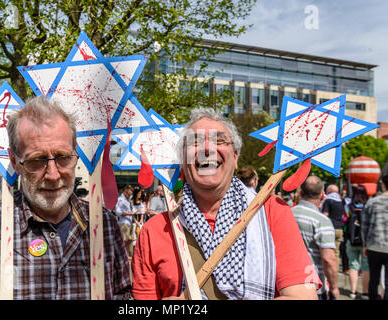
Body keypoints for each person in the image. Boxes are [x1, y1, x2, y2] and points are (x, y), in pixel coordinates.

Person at [0, 96, 131, 300]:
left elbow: (123, 295)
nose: (53, 175)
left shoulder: (104, 225)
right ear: (15, 161)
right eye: (37, 161)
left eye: (63, 157)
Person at [132, 107, 320, 300]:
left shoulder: (271, 211)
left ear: (235, 158)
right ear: (182, 161)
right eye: (195, 142)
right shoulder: (155, 230)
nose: (207, 149)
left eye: (219, 140)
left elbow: (302, 296)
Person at [292, 176, 340, 300]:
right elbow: (328, 258)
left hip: (287, 282)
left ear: (301, 193)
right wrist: (334, 287)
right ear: (322, 195)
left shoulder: (288, 213)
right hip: (312, 284)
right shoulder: (322, 221)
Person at [361, 167, 388, 300]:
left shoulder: (372, 202)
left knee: (374, 279)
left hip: (374, 245)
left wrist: (365, 244)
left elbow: (364, 226)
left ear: (383, 184)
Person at [342, 185, 370, 299]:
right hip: (366, 242)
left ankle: (353, 291)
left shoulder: (349, 206)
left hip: (351, 239)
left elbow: (344, 220)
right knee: (366, 267)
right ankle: (364, 292)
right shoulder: (368, 206)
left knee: (353, 265)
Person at [321, 184, 345, 263]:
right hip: (339, 229)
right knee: (336, 252)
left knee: (326, 251)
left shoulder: (328, 200)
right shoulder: (341, 201)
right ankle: (335, 272)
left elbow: (325, 214)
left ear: (328, 191)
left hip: (330, 229)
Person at [114, 184, 137, 257]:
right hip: (123, 223)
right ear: (125, 191)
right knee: (124, 241)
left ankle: (126, 257)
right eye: (128, 193)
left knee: (129, 241)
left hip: (129, 223)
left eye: (130, 194)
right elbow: (118, 212)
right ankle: (122, 256)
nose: (129, 195)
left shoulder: (128, 200)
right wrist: (129, 213)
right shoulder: (120, 200)